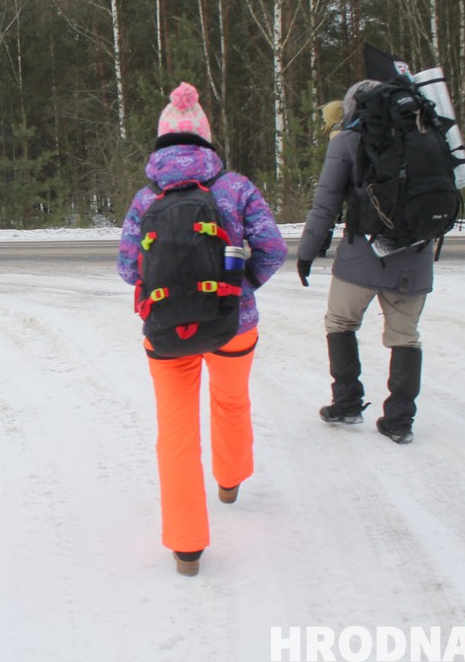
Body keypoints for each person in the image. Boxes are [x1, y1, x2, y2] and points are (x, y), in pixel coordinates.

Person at [117, 82, 286, 576]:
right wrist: (241, 289)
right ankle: (230, 480)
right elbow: (273, 249)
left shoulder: (145, 197)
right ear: (206, 140)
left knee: (176, 432)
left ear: (161, 143)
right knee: (231, 401)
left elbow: (129, 269)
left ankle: (187, 546)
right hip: (234, 324)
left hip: (166, 332)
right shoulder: (235, 187)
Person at [295, 80, 432, 445]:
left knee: (340, 321)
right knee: (405, 337)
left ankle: (347, 402)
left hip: (362, 254)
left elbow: (325, 204)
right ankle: (400, 420)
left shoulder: (346, 141)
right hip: (415, 255)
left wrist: (307, 252)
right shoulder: (426, 136)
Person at [315, 100, 345, 258]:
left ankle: (320, 244)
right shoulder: (346, 129)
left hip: (341, 179)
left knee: (328, 209)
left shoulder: (337, 132)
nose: (323, 120)